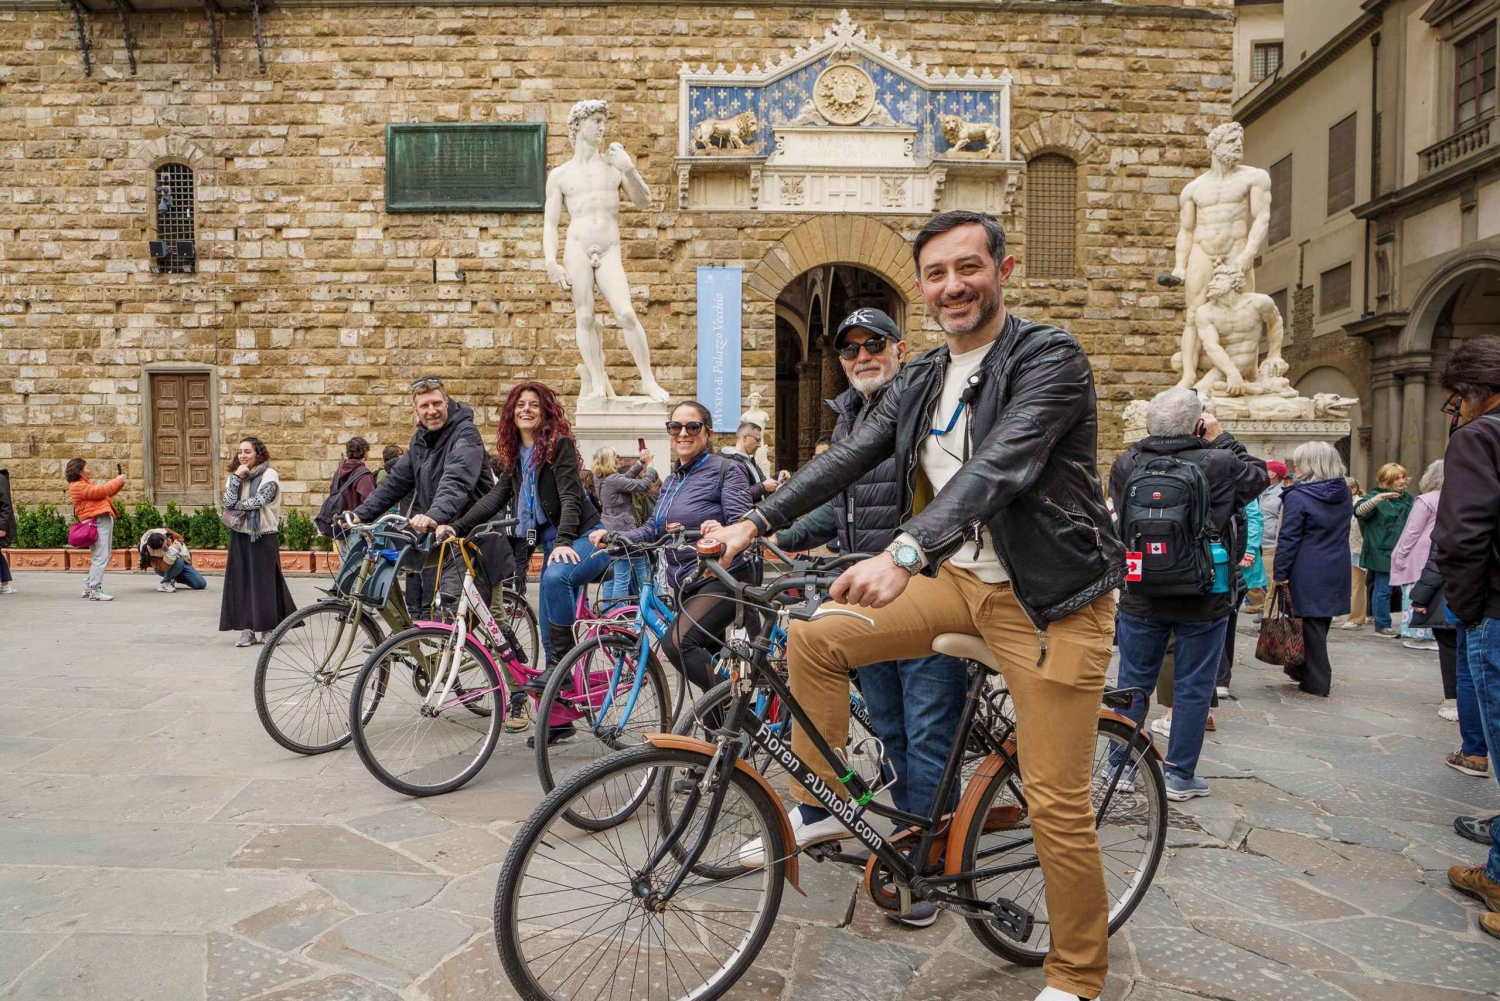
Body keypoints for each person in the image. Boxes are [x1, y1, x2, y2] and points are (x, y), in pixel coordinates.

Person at [710, 210, 1124, 1001]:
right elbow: (849, 454)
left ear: (1003, 272)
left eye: (968, 267)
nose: (952, 286)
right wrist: (753, 522)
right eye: (936, 273)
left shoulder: (1050, 358)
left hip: (1050, 600)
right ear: (922, 288)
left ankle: (1077, 975)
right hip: (961, 582)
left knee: (1055, 800)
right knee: (815, 637)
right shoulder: (926, 373)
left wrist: (904, 551)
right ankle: (821, 804)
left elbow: (999, 467)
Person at [772, 308, 970, 928]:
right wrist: (774, 535)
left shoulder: (924, 406)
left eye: (874, 343)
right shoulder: (851, 417)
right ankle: (905, 837)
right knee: (890, 727)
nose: (862, 356)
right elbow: (836, 508)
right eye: (850, 348)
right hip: (867, 598)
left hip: (925, 589)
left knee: (928, 731)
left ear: (900, 348)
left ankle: (928, 867)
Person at [1109, 388, 1268, 801]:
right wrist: (1221, 437)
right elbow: (1260, 475)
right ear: (1198, 424)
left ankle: (1120, 767)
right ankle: (1179, 776)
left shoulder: (1127, 463)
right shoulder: (1220, 461)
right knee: (1194, 685)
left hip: (1142, 587)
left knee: (1132, 681)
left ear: (1149, 424)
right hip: (1205, 590)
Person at [440, 381, 607, 706]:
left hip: (585, 538)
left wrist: (563, 541)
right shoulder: (518, 455)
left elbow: (570, 497)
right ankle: (559, 718)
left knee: (555, 579)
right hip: (556, 546)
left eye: (533, 404)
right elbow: (496, 497)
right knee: (547, 631)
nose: (526, 410)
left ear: (545, 412)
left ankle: (560, 670)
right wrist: (457, 527)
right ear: (511, 413)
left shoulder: (558, 446)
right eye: (520, 405)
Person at [591, 401, 754, 708]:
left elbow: (742, 525)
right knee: (708, 665)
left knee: (678, 644)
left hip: (723, 577)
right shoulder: (672, 480)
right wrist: (617, 537)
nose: (683, 433)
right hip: (687, 583)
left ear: (708, 432)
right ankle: (721, 733)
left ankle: (741, 715)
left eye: (692, 426)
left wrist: (721, 530)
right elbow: (653, 529)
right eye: (675, 427)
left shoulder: (727, 469)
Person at [1433, 336, 1500, 942]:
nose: (1454, 414)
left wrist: (1470, 607)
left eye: (1454, 402)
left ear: (1475, 393)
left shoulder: (1481, 437)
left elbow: (1462, 534)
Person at [351, 377, 506, 622]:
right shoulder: (420, 440)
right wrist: (360, 513)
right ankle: (409, 638)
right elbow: (396, 481)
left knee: (484, 614)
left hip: (476, 533)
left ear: (447, 402)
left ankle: (506, 649)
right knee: (388, 563)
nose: (431, 411)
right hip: (443, 533)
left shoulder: (465, 434)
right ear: (416, 410)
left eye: (436, 403)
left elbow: (456, 479)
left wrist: (433, 515)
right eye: (424, 406)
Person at [1273, 441, 1354, 698]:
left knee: (1309, 625)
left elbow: (1289, 538)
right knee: (1318, 622)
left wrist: (1279, 572)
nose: (1294, 467)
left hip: (1306, 566)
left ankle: (1317, 680)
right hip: (1336, 563)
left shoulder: (1298, 496)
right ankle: (1300, 669)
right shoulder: (1343, 492)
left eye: (1298, 463)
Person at [220, 437, 297, 646]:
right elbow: (227, 501)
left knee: (264, 583)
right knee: (242, 581)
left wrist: (236, 504)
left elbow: (260, 500)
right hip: (240, 533)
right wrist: (237, 477)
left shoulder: (269, 474)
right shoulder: (236, 475)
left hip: (262, 534)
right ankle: (248, 629)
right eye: (240, 452)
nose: (243, 456)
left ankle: (269, 629)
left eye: (248, 451)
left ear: (258, 454)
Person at [1410, 554, 1481, 757]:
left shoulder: (1457, 532)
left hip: (1462, 600)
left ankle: (1473, 753)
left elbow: (1440, 559)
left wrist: (1420, 596)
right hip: (1481, 600)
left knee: (1462, 665)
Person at [1356, 462, 1414, 637]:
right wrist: (1378, 499)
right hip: (1382, 550)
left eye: (1403, 477)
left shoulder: (1407, 498)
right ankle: (1382, 625)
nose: (1402, 481)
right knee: (1384, 589)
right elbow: (1359, 512)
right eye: (1397, 478)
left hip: (1405, 550)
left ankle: (1410, 625)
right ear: (1386, 480)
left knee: (1409, 589)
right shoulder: (1374, 497)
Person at [1392, 460, 1444, 651]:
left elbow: (1412, 531)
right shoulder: (1455, 498)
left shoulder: (1426, 500)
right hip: (1445, 549)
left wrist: (1400, 555)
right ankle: (1435, 633)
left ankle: (1421, 633)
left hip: (1423, 551)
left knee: (1418, 589)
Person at [596, 445, 658, 603]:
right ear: (610, 460)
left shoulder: (601, 479)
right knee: (626, 576)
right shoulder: (614, 480)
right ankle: (625, 609)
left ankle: (610, 610)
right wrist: (650, 466)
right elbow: (644, 484)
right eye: (615, 456)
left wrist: (640, 462)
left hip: (609, 527)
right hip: (624, 530)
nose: (618, 459)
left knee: (614, 576)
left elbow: (626, 478)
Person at [65, 458, 126, 602]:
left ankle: (89, 588)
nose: (89, 470)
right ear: (80, 471)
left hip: (99, 520)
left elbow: (104, 494)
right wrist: (117, 480)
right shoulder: (79, 486)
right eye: (86, 467)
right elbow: (100, 491)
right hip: (97, 521)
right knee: (101, 556)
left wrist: (119, 483)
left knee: (101, 555)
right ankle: (94, 590)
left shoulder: (84, 484)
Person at [1245, 460, 1285, 615]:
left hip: (1269, 545)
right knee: (1246, 578)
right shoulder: (1259, 490)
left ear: (1272, 474)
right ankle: (1261, 606)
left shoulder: (1282, 493)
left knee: (1271, 584)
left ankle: (1270, 617)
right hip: (1254, 543)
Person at [137, 527, 208, 592]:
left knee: (200, 584)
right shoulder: (149, 552)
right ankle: (164, 583)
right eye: (164, 545)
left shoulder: (165, 533)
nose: (166, 543)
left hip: (181, 564)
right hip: (164, 568)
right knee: (179, 562)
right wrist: (171, 551)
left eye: (165, 540)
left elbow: (180, 538)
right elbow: (164, 567)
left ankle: (172, 577)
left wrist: (176, 545)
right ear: (159, 549)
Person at [722, 422, 779, 500]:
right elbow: (737, 495)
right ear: (745, 437)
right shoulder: (730, 462)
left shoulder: (750, 460)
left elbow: (763, 482)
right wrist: (763, 487)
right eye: (757, 439)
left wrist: (778, 476)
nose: (759, 445)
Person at [329, 437, 377, 524]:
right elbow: (370, 502)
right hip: (355, 523)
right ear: (365, 451)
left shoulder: (339, 471)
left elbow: (332, 490)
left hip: (339, 521)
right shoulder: (364, 475)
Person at [1341, 477, 1368, 629]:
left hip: (1357, 548)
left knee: (1357, 584)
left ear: (1353, 489)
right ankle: (1336, 612)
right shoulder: (1341, 504)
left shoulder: (1361, 504)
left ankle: (1356, 618)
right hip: (1342, 549)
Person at [0, 465, 14, 595]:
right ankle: (4, 584)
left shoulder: (1, 479)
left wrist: (2, 526)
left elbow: (5, 504)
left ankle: (5, 584)